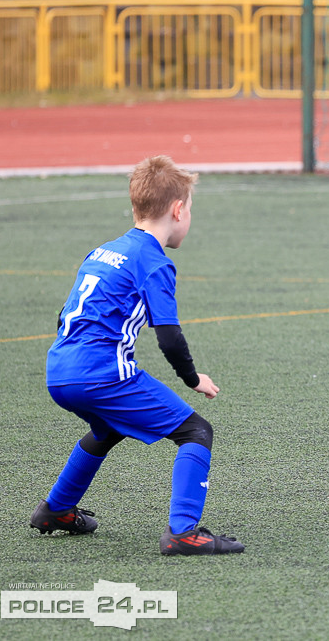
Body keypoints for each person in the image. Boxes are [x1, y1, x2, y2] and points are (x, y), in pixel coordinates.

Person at [30, 155, 245, 556]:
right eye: (190, 209)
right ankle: (182, 533)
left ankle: (56, 509)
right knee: (196, 432)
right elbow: (169, 338)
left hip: (58, 370)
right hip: (101, 374)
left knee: (108, 429)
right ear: (177, 210)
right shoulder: (154, 261)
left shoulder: (103, 251)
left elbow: (64, 315)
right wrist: (193, 379)